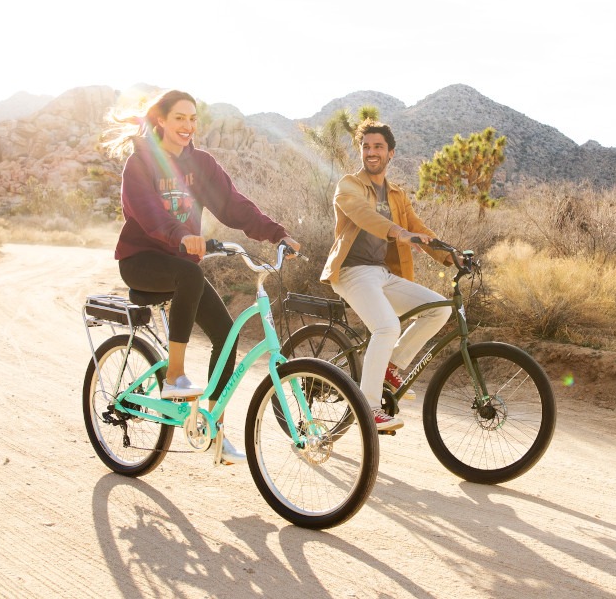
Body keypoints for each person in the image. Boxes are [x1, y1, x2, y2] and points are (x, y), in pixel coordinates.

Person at [103, 90, 300, 463]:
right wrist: (181, 234)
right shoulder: (140, 163)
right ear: (161, 120)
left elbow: (233, 205)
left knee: (226, 334)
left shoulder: (201, 164)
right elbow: (148, 212)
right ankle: (174, 376)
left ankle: (214, 431)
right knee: (189, 274)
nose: (188, 126)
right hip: (141, 260)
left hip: (180, 263)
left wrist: (277, 233)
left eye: (193, 119)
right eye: (179, 118)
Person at [320, 119, 456, 432]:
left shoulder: (396, 194)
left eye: (378, 146)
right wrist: (398, 232)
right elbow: (364, 215)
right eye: (366, 146)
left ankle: (390, 366)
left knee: (439, 309)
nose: (371, 152)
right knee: (387, 326)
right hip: (351, 271)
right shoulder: (349, 185)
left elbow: (418, 229)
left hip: (382, 273)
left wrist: (452, 255)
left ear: (390, 152)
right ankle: (368, 409)